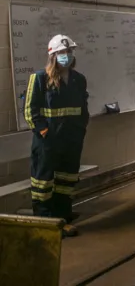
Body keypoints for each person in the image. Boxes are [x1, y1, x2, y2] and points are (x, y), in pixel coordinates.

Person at [25, 35, 89, 237]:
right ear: (53, 55)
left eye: (69, 52)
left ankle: (63, 219)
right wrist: (44, 132)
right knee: (43, 184)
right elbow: (30, 110)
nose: (66, 55)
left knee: (66, 181)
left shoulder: (79, 79)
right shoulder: (39, 78)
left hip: (71, 140)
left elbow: (82, 109)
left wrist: (80, 130)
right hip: (48, 142)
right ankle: (45, 223)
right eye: (62, 52)